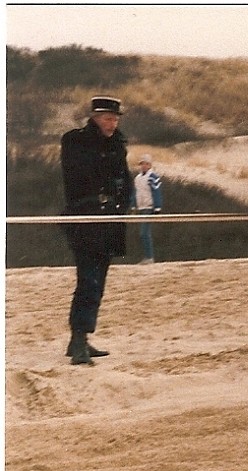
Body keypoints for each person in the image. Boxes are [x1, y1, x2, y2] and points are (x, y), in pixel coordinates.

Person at [60, 96, 133, 365]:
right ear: (94, 117)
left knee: (97, 282)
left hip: (109, 221)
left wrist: (122, 205)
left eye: (115, 118)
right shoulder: (75, 140)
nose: (112, 123)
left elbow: (125, 179)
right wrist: (100, 198)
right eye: (106, 118)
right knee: (88, 281)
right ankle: (79, 338)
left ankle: (80, 338)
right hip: (86, 220)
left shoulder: (118, 144)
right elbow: (77, 177)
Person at [132, 153, 163, 264]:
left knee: (144, 232)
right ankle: (147, 256)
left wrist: (157, 207)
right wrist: (133, 205)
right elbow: (135, 192)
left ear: (149, 165)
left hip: (149, 207)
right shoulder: (138, 178)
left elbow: (156, 192)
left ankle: (149, 257)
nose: (143, 166)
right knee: (144, 233)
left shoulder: (153, 176)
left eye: (145, 164)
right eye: (142, 164)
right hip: (141, 207)